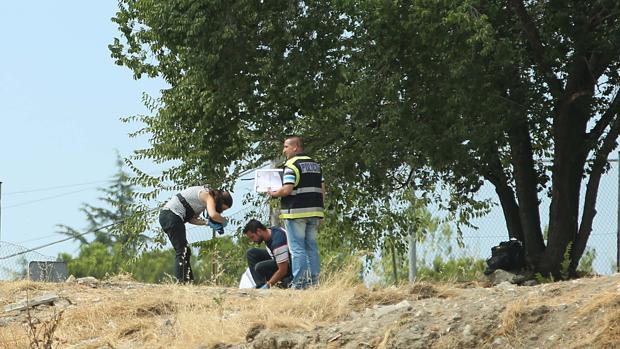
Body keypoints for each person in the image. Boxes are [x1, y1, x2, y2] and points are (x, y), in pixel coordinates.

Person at [267, 136, 324, 289]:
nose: (284, 150)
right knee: (311, 248)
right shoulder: (316, 165)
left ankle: (299, 284)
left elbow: (287, 190)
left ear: (295, 147)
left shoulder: (291, 166)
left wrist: (273, 193)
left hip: (296, 212)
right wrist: (321, 211)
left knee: (297, 249)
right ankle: (314, 283)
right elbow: (322, 189)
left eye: (286, 147)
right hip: (314, 211)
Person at [159, 186, 233, 283]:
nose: (221, 211)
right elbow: (213, 215)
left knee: (185, 250)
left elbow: (191, 220)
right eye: (222, 209)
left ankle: (188, 281)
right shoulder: (207, 195)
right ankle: (181, 282)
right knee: (182, 251)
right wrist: (223, 221)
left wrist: (207, 223)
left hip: (170, 217)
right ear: (220, 201)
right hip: (171, 215)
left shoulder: (202, 202)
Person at [243, 219, 293, 289]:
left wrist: (268, 285)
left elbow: (283, 270)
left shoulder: (278, 242)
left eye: (252, 237)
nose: (252, 241)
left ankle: (265, 288)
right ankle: (260, 286)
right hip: (278, 259)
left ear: (259, 231)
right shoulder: (270, 232)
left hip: (288, 267)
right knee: (251, 253)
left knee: (259, 267)